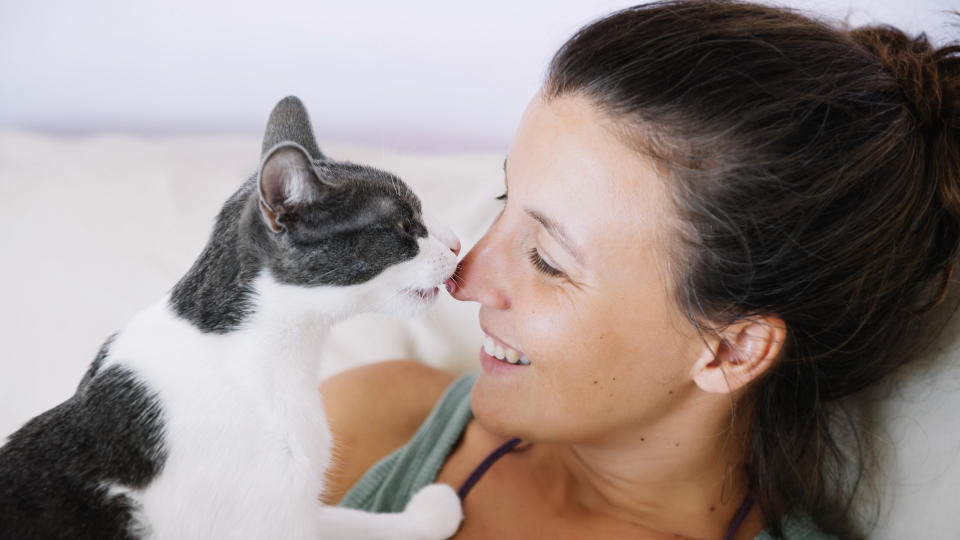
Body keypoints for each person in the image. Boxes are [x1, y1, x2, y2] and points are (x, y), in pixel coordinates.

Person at [320, 1, 960, 538]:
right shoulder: (371, 420)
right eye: (502, 201)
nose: (463, 279)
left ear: (730, 350)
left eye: (546, 258)